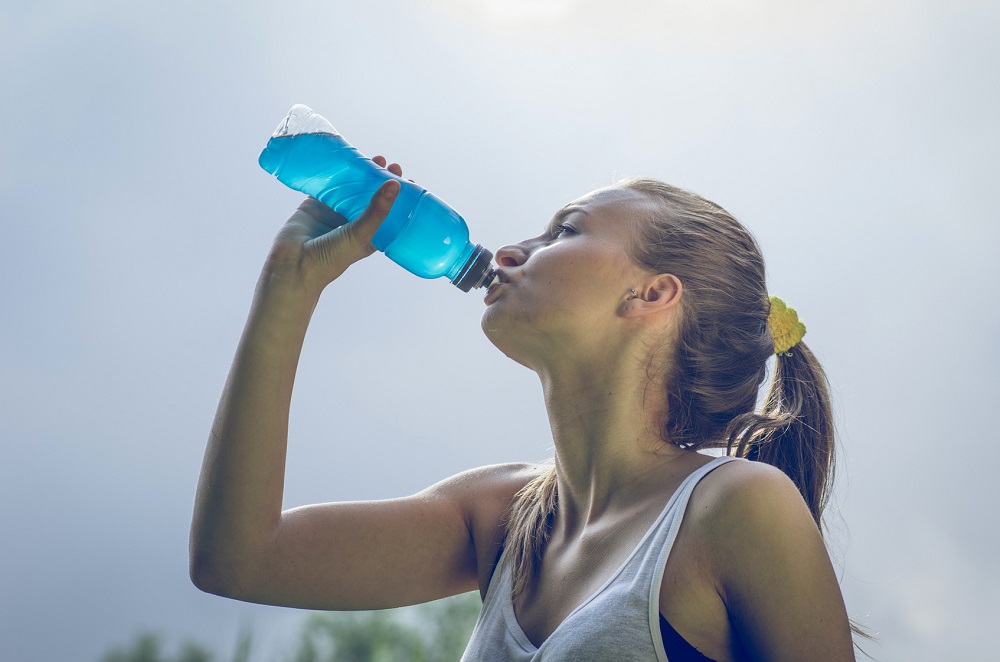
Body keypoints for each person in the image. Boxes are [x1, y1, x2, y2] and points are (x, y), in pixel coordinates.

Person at [190, 158, 857, 661]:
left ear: (651, 294)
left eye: (563, 232)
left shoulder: (736, 506)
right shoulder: (501, 516)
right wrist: (289, 285)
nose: (510, 252)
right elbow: (239, 558)